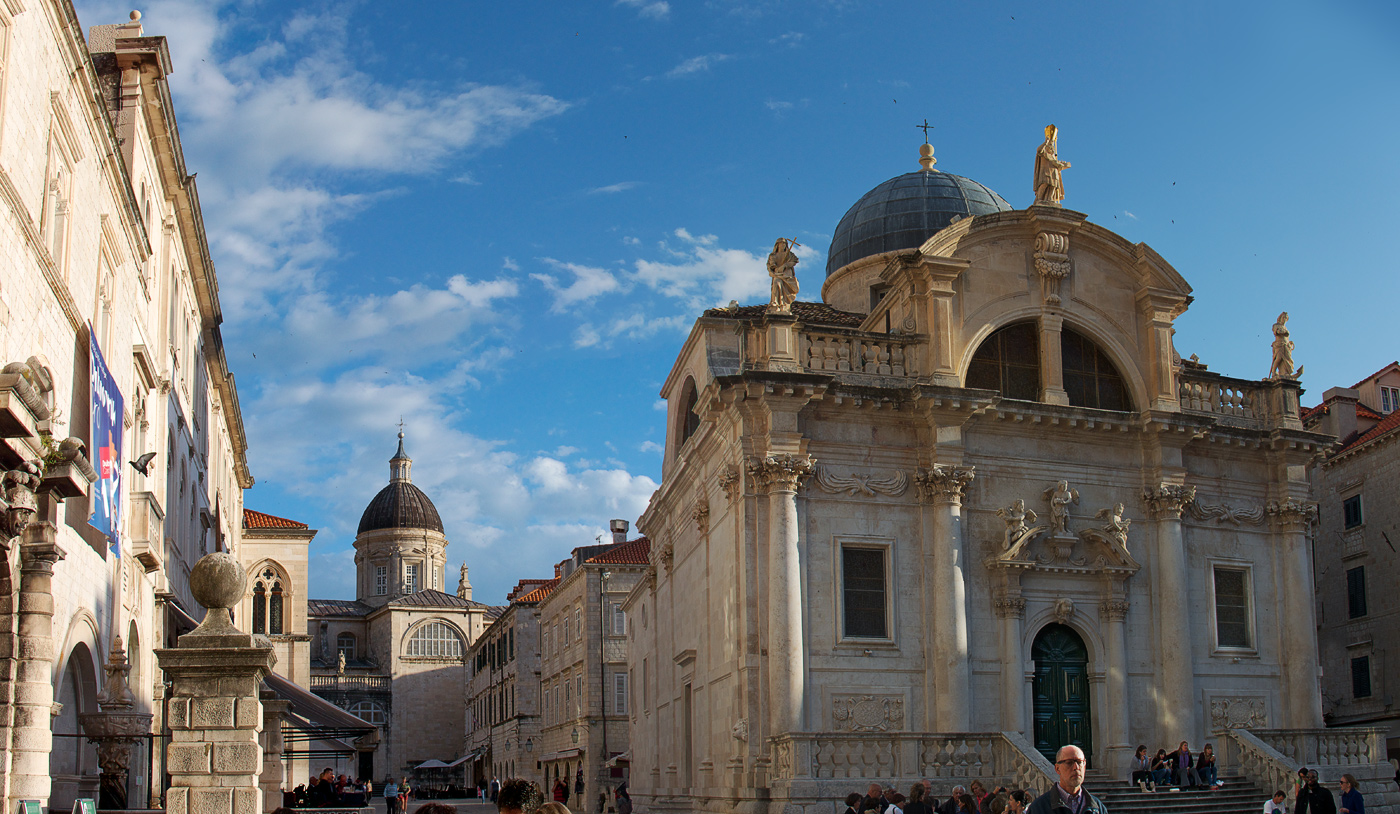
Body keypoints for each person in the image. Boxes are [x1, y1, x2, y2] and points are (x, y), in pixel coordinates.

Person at [1026, 744, 1108, 814]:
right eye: (1069, 763)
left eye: (1079, 762)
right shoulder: (1039, 808)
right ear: (1057, 768)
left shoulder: (1097, 808)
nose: (1076, 767)